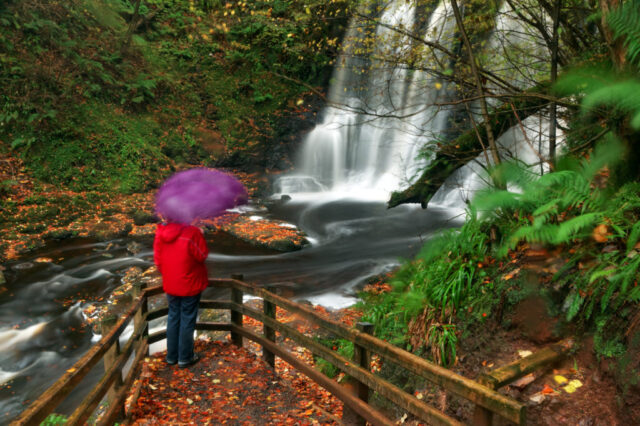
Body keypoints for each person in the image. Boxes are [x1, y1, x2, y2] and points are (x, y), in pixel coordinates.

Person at [153, 222, 209, 368]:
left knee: (173, 317)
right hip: (190, 283)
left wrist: (170, 274)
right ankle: (185, 357)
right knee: (187, 319)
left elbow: (158, 261)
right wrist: (200, 235)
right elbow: (202, 255)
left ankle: (171, 357)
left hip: (171, 283)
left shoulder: (160, 233)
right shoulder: (192, 232)